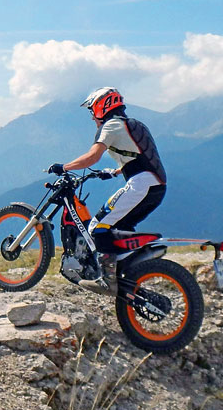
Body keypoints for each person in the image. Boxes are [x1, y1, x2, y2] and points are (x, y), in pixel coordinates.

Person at [47, 87, 166, 292]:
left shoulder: (111, 126)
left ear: (102, 106)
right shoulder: (134, 125)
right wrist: (114, 172)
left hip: (141, 185)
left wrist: (64, 167)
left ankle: (108, 280)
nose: (92, 117)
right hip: (155, 186)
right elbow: (140, 157)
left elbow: (93, 156)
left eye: (92, 111)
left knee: (97, 226)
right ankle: (127, 271)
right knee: (120, 228)